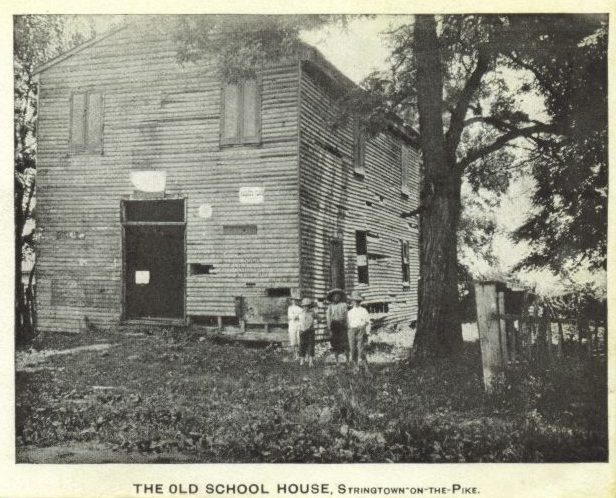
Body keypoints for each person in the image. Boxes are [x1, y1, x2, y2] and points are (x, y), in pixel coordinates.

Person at [347, 292, 371, 372]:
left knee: (360, 350)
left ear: (359, 302)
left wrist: (366, 332)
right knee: (353, 350)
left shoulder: (363, 310)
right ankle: (356, 367)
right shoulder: (350, 312)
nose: (355, 302)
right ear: (352, 302)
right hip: (352, 331)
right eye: (354, 301)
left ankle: (366, 367)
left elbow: (367, 322)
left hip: (361, 330)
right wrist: (350, 329)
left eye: (357, 301)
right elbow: (348, 323)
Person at [326, 288, 349, 364]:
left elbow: (347, 316)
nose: (336, 298)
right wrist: (329, 329)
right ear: (332, 298)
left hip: (342, 326)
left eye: (338, 296)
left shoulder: (344, 305)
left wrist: (347, 325)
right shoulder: (330, 307)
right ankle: (337, 361)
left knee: (345, 343)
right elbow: (328, 318)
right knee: (335, 344)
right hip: (334, 326)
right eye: (335, 296)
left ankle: (348, 360)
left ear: (340, 297)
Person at [298, 297, 318, 367]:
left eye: (307, 306)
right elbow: (295, 320)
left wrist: (315, 322)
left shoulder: (312, 313)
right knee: (302, 345)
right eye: (304, 306)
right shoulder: (300, 313)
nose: (306, 307)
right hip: (302, 331)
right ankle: (302, 360)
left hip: (310, 331)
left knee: (311, 346)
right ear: (302, 306)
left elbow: (319, 318)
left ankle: (311, 361)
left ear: (309, 306)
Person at [287, 294, 302, 359]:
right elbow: (290, 316)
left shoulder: (300, 308)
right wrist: (295, 316)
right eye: (293, 300)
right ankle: (294, 355)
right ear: (291, 301)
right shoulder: (290, 308)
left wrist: (296, 316)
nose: (294, 301)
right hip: (292, 324)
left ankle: (300, 355)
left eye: (296, 300)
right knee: (293, 339)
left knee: (299, 339)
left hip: (298, 324)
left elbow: (301, 316)